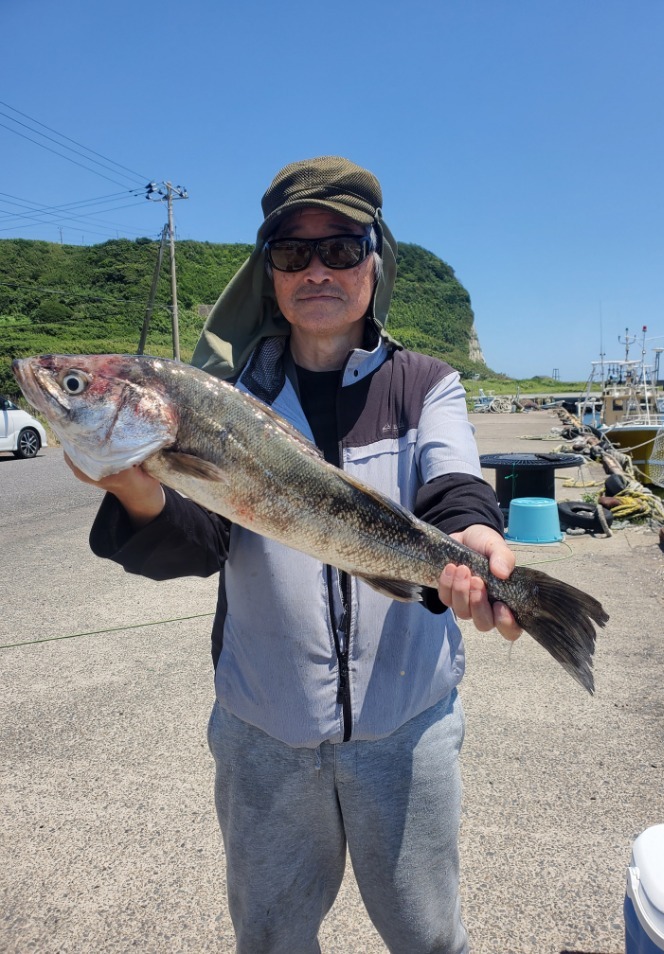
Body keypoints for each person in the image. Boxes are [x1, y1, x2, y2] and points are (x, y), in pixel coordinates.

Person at [68, 156, 522, 954]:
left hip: (409, 724)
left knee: (428, 937)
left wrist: (476, 538)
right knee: (272, 939)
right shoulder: (226, 401)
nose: (317, 270)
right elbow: (204, 540)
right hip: (264, 731)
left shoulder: (425, 384)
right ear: (268, 272)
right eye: (292, 252)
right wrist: (139, 491)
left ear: (375, 261)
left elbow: (452, 481)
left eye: (340, 249)